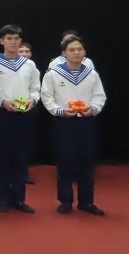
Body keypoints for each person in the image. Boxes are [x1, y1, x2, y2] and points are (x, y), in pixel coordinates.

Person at [41, 36, 107, 216]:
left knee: (87, 161)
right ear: (64, 53)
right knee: (64, 160)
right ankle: (65, 200)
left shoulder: (91, 74)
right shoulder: (53, 74)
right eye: (72, 50)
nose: (76, 53)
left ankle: (86, 201)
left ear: (84, 52)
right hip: (64, 121)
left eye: (79, 49)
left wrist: (93, 108)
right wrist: (60, 111)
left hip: (86, 121)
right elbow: (47, 96)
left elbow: (99, 96)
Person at [0, 25, 41, 214]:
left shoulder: (29, 65)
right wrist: (2, 102)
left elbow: (35, 88)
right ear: (2, 41)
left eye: (16, 38)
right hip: (3, 113)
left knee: (21, 157)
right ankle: (3, 198)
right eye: (9, 38)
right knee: (2, 157)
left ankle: (19, 198)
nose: (13, 42)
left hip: (24, 114)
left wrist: (32, 100)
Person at [18, 41, 37, 184]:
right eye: (21, 51)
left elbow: (36, 88)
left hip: (27, 107)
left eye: (27, 52)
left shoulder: (32, 67)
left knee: (24, 142)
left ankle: (23, 172)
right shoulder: (0, 65)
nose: (24, 54)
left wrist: (32, 99)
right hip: (6, 107)